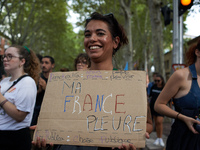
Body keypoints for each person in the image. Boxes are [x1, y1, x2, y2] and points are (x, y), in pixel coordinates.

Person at [33, 12, 153, 150]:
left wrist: (134, 136)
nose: (92, 39)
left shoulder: (129, 83)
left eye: (100, 33)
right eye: (87, 34)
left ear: (115, 42)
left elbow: (148, 123)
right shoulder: (67, 83)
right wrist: (46, 132)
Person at [154, 39, 200, 150]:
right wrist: (183, 118)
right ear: (198, 52)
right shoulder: (180, 76)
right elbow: (158, 105)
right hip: (182, 140)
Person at [0, 45, 41, 150]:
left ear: (22, 61)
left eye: (10, 56)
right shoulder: (4, 81)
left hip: (14, 138)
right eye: (4, 56)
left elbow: (20, 116)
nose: (5, 59)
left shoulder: (27, 82)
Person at [31, 56, 55, 126]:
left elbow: (57, 97)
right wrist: (38, 91)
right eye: (42, 63)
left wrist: (46, 88)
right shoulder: (36, 78)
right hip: (35, 112)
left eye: (46, 63)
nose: (43, 65)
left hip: (50, 113)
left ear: (52, 65)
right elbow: (30, 96)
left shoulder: (56, 79)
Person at [149, 74, 165, 146]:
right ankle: (158, 138)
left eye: (158, 80)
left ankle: (160, 138)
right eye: (155, 81)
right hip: (152, 107)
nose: (157, 82)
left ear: (162, 80)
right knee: (156, 123)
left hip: (161, 108)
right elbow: (150, 96)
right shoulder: (153, 87)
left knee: (159, 122)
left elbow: (169, 99)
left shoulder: (164, 88)